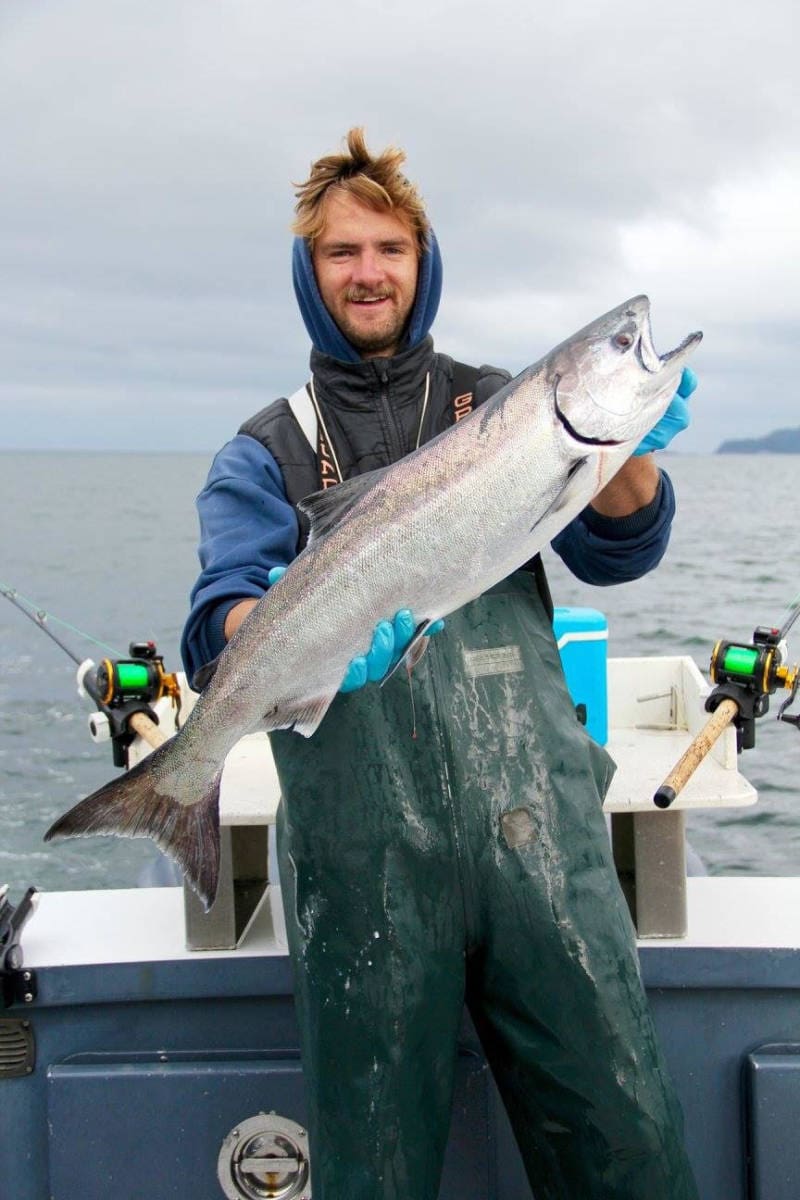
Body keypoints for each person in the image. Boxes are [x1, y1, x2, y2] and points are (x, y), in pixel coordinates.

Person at [181, 128, 699, 1200]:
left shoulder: (497, 405)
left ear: (422, 264)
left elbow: (615, 548)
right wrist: (296, 637)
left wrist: (626, 454)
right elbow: (221, 611)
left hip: (541, 847)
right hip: (363, 864)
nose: (367, 271)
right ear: (308, 275)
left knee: (625, 1144)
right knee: (372, 1172)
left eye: (388, 248)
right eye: (339, 253)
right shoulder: (266, 449)